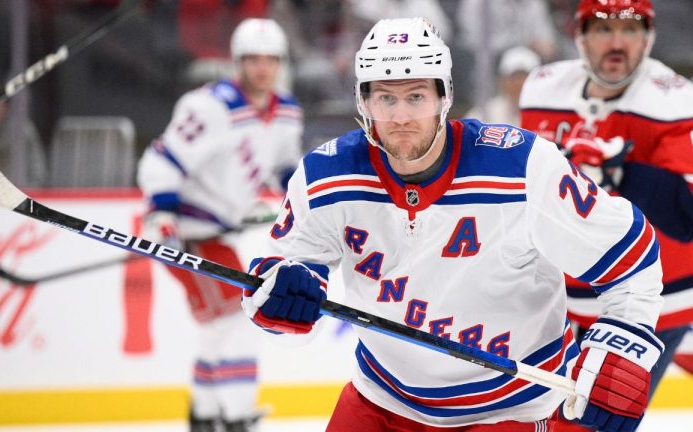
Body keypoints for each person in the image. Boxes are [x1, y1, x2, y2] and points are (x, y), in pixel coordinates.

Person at [242, 17, 664, 432]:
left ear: (444, 97)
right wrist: (282, 302)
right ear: (363, 102)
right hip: (381, 398)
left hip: (508, 409)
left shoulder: (521, 168)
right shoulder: (326, 175)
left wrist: (622, 345)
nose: (401, 117)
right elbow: (283, 292)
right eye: (385, 98)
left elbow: (632, 256)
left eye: (416, 96)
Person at [519, 1, 693, 430]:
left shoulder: (672, 98)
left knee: (591, 424)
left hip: (655, 301)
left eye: (630, 31)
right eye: (603, 30)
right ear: (579, 36)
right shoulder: (542, 89)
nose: (617, 43)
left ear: (648, 38)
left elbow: (686, 214)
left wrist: (620, 171)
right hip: (565, 299)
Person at [136, 18, 303, 432]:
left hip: (216, 234)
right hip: (185, 235)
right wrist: (162, 215)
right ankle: (237, 417)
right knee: (236, 316)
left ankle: (205, 416)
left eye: (271, 60)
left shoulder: (285, 112)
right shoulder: (210, 107)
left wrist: (301, 200)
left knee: (218, 326)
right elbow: (161, 162)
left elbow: (284, 168)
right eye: (253, 60)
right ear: (237, 62)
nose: (262, 68)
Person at [464, 46, 541, 125]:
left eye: (524, 77)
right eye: (513, 78)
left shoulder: (546, 114)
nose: (518, 83)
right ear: (502, 80)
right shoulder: (485, 113)